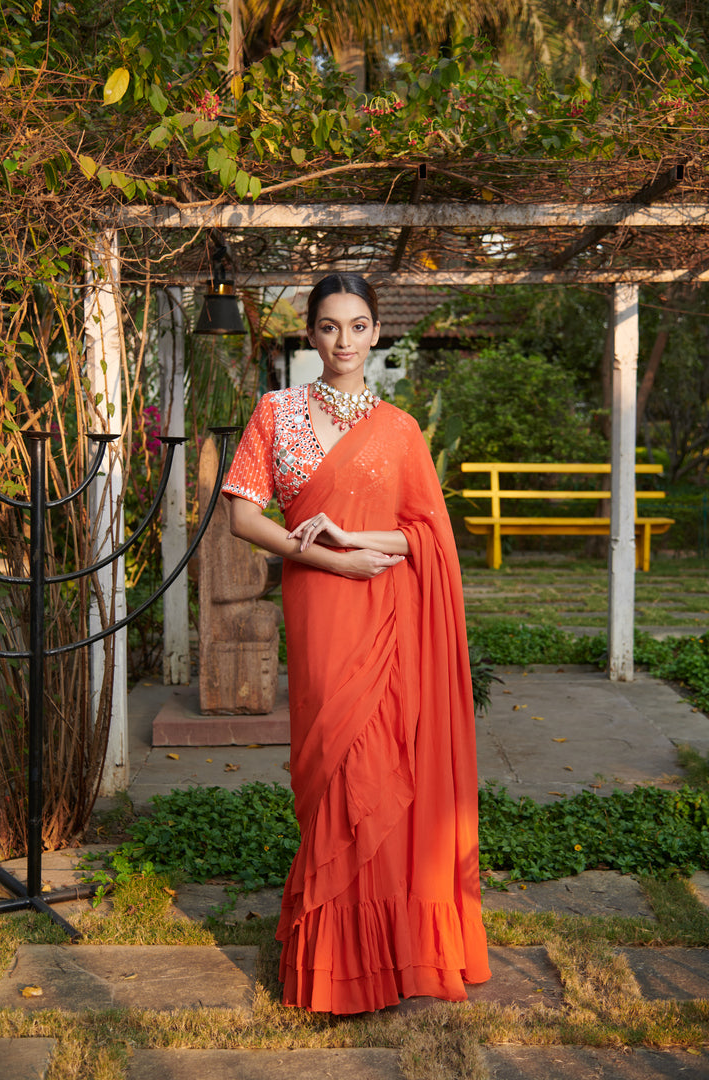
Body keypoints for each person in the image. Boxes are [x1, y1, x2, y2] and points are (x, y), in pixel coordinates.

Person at [222, 273, 490, 1014]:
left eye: (359, 325)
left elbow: (426, 534)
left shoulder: (400, 428)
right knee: (331, 765)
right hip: (320, 606)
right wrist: (327, 556)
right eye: (330, 326)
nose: (345, 341)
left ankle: (387, 959)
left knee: (382, 772)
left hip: (386, 610)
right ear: (310, 333)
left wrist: (351, 536)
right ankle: (333, 962)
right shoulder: (276, 412)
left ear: (377, 334)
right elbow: (244, 516)